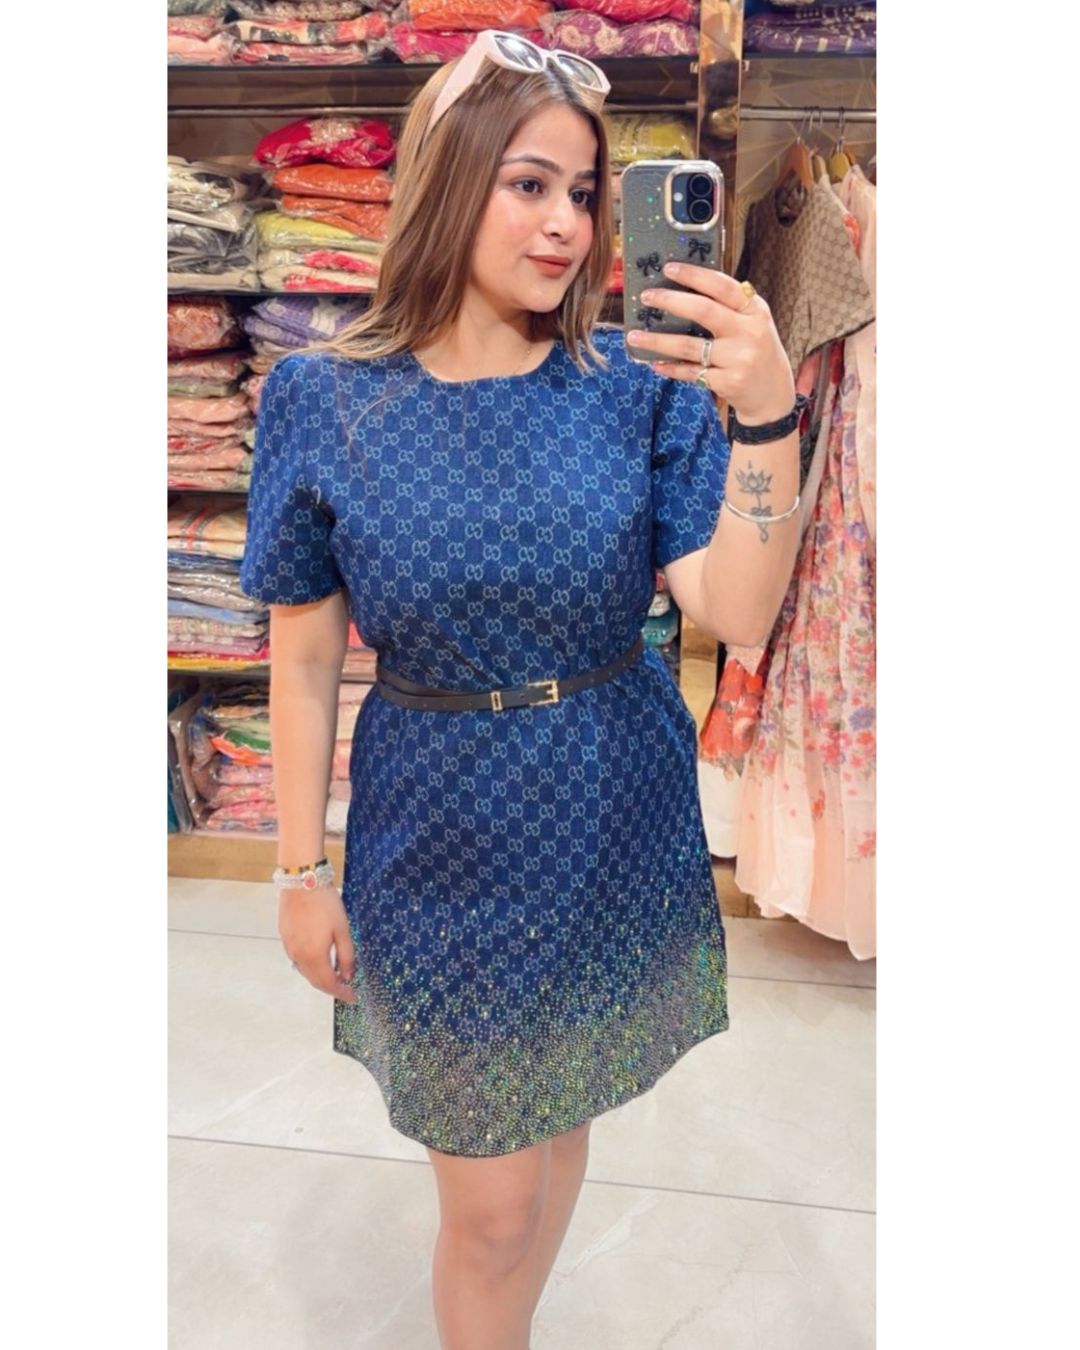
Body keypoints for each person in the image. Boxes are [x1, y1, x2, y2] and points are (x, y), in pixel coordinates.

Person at [238, 29, 801, 1350]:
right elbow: (305, 655)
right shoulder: (324, 397)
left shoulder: (636, 390)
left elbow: (738, 609)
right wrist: (297, 868)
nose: (566, 225)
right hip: (436, 827)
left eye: (584, 193)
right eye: (529, 184)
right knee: (489, 1204)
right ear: (448, 179)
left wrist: (770, 414)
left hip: (611, 804)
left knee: (557, 1119)